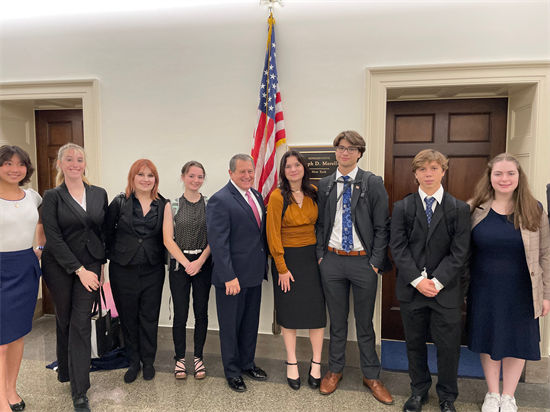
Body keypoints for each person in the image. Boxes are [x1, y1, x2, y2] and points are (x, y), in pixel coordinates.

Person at [466, 153, 549, 412]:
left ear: (518, 177)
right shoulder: (474, 208)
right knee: (489, 340)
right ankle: (492, 393)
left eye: (510, 173)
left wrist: (547, 294)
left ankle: (509, 395)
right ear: (490, 178)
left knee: (517, 341)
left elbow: (546, 253)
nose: (504, 179)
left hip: (523, 289)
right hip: (484, 288)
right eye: (498, 174)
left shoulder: (534, 208)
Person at [390, 149, 470, 412]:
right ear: (415, 174)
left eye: (434, 168)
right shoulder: (402, 207)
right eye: (423, 169)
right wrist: (416, 280)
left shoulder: (458, 209)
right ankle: (418, 391)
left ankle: (447, 396)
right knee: (414, 344)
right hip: (412, 291)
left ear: (443, 172)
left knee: (448, 348)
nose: (428, 174)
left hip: (445, 292)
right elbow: (398, 248)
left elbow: (460, 252)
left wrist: (436, 282)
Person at [316, 131, 393, 404]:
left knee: (364, 323)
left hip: (363, 262)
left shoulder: (372, 183)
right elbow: (321, 225)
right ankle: (334, 370)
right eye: (340, 148)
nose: (344, 153)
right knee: (336, 322)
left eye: (351, 149)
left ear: (360, 153)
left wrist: (374, 263)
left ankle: (371, 375)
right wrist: (321, 256)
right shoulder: (325, 184)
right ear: (335, 151)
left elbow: (383, 227)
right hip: (333, 260)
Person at [41, 143, 108, 412]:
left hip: (90, 267)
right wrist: (77, 269)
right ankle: (66, 370)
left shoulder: (98, 194)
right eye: (69, 159)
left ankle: (79, 391)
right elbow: (53, 238)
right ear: (59, 164)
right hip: (59, 267)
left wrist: (100, 268)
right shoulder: (52, 196)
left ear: (84, 164)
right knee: (64, 319)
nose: (75, 163)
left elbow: (102, 233)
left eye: (80, 159)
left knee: (80, 323)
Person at [206, 154, 268, 393]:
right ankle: (232, 372)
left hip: (253, 273)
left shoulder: (257, 195)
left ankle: (247, 363)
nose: (247, 175)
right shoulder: (220, 199)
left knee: (250, 323)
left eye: (250, 171)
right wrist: (228, 276)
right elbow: (218, 242)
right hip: (231, 278)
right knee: (230, 326)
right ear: (230, 173)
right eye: (241, 172)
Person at [266, 150, 326, 391]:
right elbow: (273, 234)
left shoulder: (315, 192)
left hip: (312, 260)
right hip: (287, 261)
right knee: (289, 313)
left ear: (304, 168)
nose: (293, 169)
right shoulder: (277, 196)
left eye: (297, 165)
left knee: (316, 313)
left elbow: (321, 226)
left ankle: (316, 363)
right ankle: (291, 361)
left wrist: (321, 257)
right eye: (288, 166)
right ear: (283, 171)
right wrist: (281, 267)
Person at [105, 159, 167, 384]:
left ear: (155, 180)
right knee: (128, 318)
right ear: (132, 178)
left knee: (149, 318)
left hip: (153, 269)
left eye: (150, 176)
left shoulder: (163, 204)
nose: (145, 179)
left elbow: (166, 237)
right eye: (141, 174)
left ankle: (148, 362)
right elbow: (107, 233)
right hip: (123, 270)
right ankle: (133, 361)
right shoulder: (119, 202)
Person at [0, 146, 44, 412]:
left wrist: (39, 248)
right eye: (7, 163)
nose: (14, 169)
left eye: (20, 164)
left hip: (24, 268)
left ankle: (11, 389)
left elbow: (42, 224)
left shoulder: (33, 197)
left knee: (17, 335)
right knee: (1, 340)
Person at [163, 161, 212, 380]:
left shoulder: (210, 204)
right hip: (179, 264)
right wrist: (186, 263)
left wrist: (200, 261)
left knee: (201, 312)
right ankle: (180, 358)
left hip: (203, 262)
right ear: (183, 177)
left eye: (200, 176)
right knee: (180, 314)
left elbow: (215, 237)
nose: (195, 180)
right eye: (191, 176)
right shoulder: (171, 205)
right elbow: (167, 239)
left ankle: (199, 357)